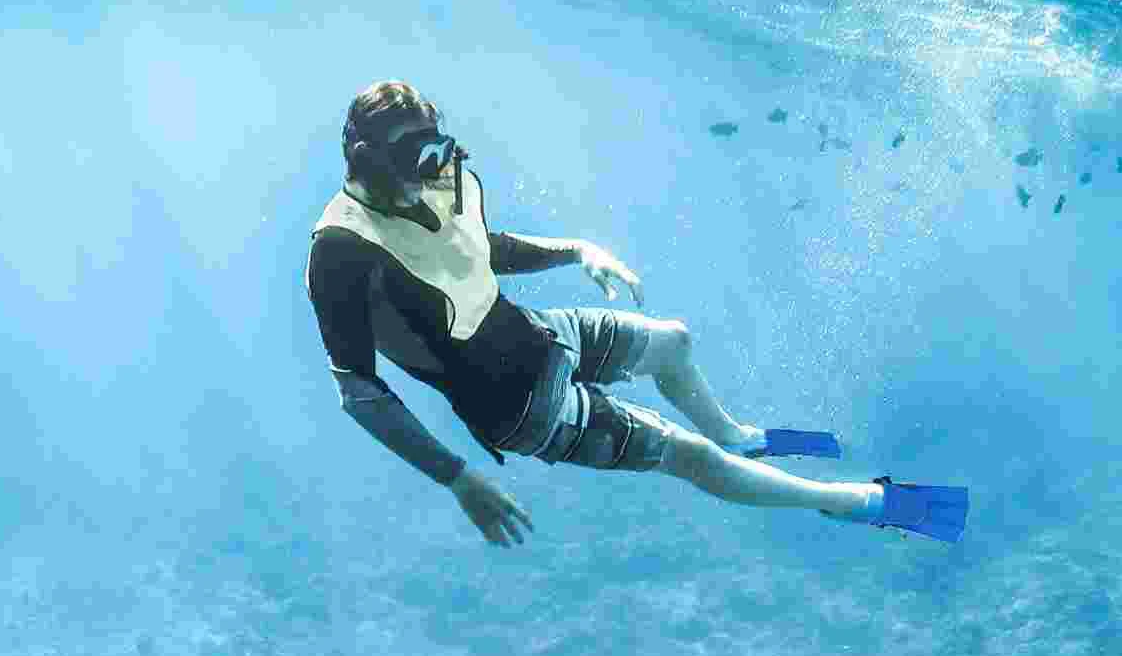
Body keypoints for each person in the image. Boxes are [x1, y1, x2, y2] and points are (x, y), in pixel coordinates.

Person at [305, 81, 967, 548]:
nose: (431, 168)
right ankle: (859, 504)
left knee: (674, 342)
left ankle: (741, 435)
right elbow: (360, 393)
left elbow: (479, 249)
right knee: (693, 457)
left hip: (537, 336)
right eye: (410, 155)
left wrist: (577, 250)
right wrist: (458, 479)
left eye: (434, 147)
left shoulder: (428, 182)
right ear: (367, 159)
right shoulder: (340, 252)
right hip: (517, 409)